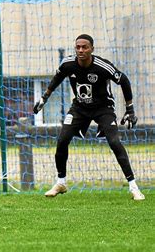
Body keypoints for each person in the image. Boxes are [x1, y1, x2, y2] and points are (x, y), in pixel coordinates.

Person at [33, 34, 145, 201]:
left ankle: (134, 187)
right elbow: (57, 78)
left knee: (114, 142)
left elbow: (124, 80)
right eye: (78, 47)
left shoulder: (102, 66)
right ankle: (61, 182)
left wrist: (130, 109)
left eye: (84, 47)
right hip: (79, 108)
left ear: (92, 49)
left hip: (103, 109)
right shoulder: (68, 64)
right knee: (62, 140)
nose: (81, 50)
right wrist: (44, 98)